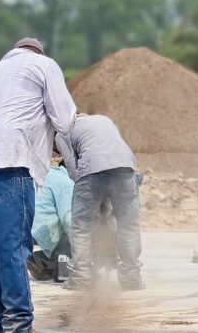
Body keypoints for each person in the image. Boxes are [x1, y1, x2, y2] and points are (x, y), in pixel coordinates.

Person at [0, 37, 76, 333]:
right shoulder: (44, 65)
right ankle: (19, 324)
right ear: (38, 52)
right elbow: (64, 120)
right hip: (10, 160)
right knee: (14, 248)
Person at [55, 114, 144, 291]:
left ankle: (81, 277)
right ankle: (132, 278)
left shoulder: (61, 133)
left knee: (81, 228)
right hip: (125, 168)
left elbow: (73, 170)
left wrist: (89, 199)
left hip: (91, 170)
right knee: (129, 225)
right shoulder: (103, 119)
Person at [27, 159, 73, 281]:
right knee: (77, 235)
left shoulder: (45, 173)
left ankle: (41, 261)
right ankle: (60, 267)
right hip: (45, 231)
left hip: (27, 228)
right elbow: (68, 220)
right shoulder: (66, 182)